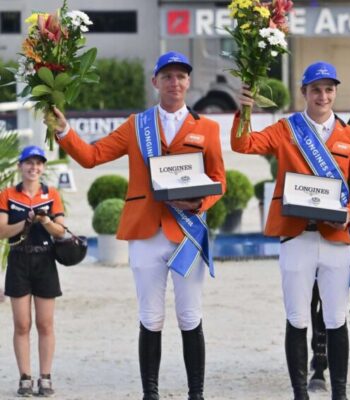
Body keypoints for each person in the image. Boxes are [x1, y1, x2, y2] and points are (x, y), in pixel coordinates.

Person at [50, 51, 226, 400]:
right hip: (146, 233)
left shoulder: (207, 128)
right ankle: (151, 394)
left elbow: (218, 180)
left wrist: (200, 203)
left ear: (188, 82)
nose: (175, 83)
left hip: (186, 232)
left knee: (190, 315)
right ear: (155, 82)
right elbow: (92, 156)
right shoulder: (137, 125)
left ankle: (196, 394)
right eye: (168, 76)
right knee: (151, 316)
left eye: (181, 76)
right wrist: (65, 131)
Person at [232, 61, 350, 400]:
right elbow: (242, 145)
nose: (323, 96)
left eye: (328, 89)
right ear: (304, 93)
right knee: (297, 316)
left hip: (335, 238)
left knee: (337, 318)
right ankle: (300, 394)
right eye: (316, 90)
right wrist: (245, 110)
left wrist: (349, 215)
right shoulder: (285, 130)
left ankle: (339, 392)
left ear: (335, 92)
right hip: (296, 236)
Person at [0, 146, 67, 397]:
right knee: (21, 324)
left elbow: (61, 231)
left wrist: (46, 221)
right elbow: (2, 231)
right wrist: (25, 220)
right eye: (29, 162)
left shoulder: (51, 195)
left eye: (38, 163)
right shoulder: (7, 194)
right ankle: (25, 377)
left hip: (45, 261)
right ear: (20, 166)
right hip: (18, 261)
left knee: (45, 324)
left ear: (43, 168)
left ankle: (45, 377)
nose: (34, 168)